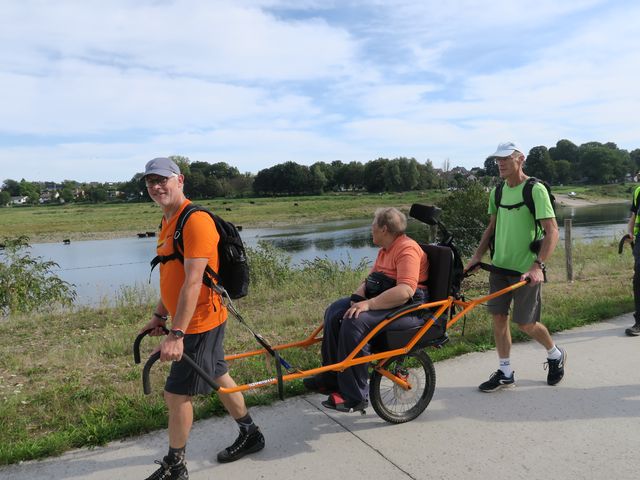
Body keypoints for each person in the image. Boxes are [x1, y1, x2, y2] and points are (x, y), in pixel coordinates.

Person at [139, 157, 264, 480]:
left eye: (162, 179)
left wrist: (176, 334)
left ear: (180, 180)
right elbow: (173, 275)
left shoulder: (194, 221)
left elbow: (194, 281)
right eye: (151, 181)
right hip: (189, 320)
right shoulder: (169, 220)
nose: (156, 186)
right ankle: (250, 433)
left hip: (199, 321)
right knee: (219, 373)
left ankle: (175, 466)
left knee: (176, 394)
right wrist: (159, 315)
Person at [304, 207, 429, 411]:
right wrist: (357, 298)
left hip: (410, 308)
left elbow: (406, 291)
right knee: (335, 311)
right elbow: (371, 280)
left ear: (384, 229)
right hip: (385, 297)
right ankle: (332, 377)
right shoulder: (385, 250)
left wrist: (369, 304)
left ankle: (354, 396)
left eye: (373, 225)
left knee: (355, 321)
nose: (370, 229)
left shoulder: (407, 249)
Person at [464, 142, 566, 392]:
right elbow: (492, 228)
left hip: (525, 273)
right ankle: (505, 372)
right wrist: (478, 256)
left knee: (526, 324)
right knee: (498, 319)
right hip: (499, 268)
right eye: (497, 159)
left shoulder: (535, 190)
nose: (500, 163)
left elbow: (552, 231)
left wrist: (537, 266)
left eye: (505, 159)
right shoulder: (497, 192)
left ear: (520, 159)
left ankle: (555, 354)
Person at [624, 185, 640, 336]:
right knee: (638, 279)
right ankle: (639, 321)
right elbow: (634, 216)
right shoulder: (638, 191)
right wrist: (630, 232)